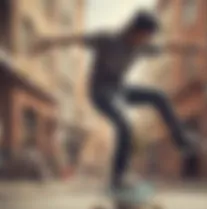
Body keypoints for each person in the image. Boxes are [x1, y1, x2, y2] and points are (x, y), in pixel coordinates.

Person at [35, 11, 196, 190]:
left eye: (148, 38)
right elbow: (75, 38)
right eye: (144, 36)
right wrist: (48, 42)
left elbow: (167, 46)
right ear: (134, 29)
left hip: (120, 89)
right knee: (124, 123)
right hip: (100, 92)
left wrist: (189, 48)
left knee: (159, 96)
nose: (145, 41)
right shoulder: (107, 39)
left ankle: (182, 141)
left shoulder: (142, 46)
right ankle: (118, 177)